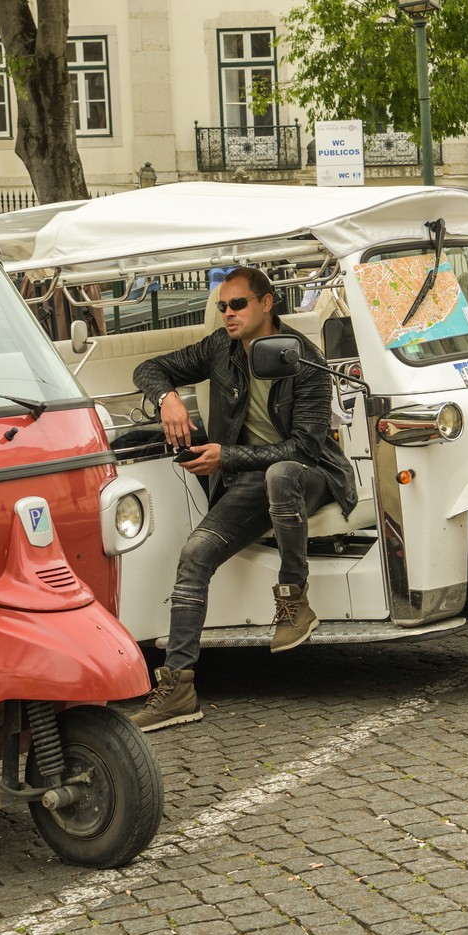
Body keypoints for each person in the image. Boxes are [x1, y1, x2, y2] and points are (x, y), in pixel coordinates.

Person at [127, 265, 357, 732]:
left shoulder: (303, 357)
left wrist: (225, 456)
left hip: (309, 475)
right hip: (248, 480)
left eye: (238, 304)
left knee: (280, 472)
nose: (228, 314)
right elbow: (147, 368)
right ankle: (179, 686)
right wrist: (168, 397)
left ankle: (294, 599)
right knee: (193, 556)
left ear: (266, 303)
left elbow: (306, 448)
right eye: (222, 306)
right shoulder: (221, 347)